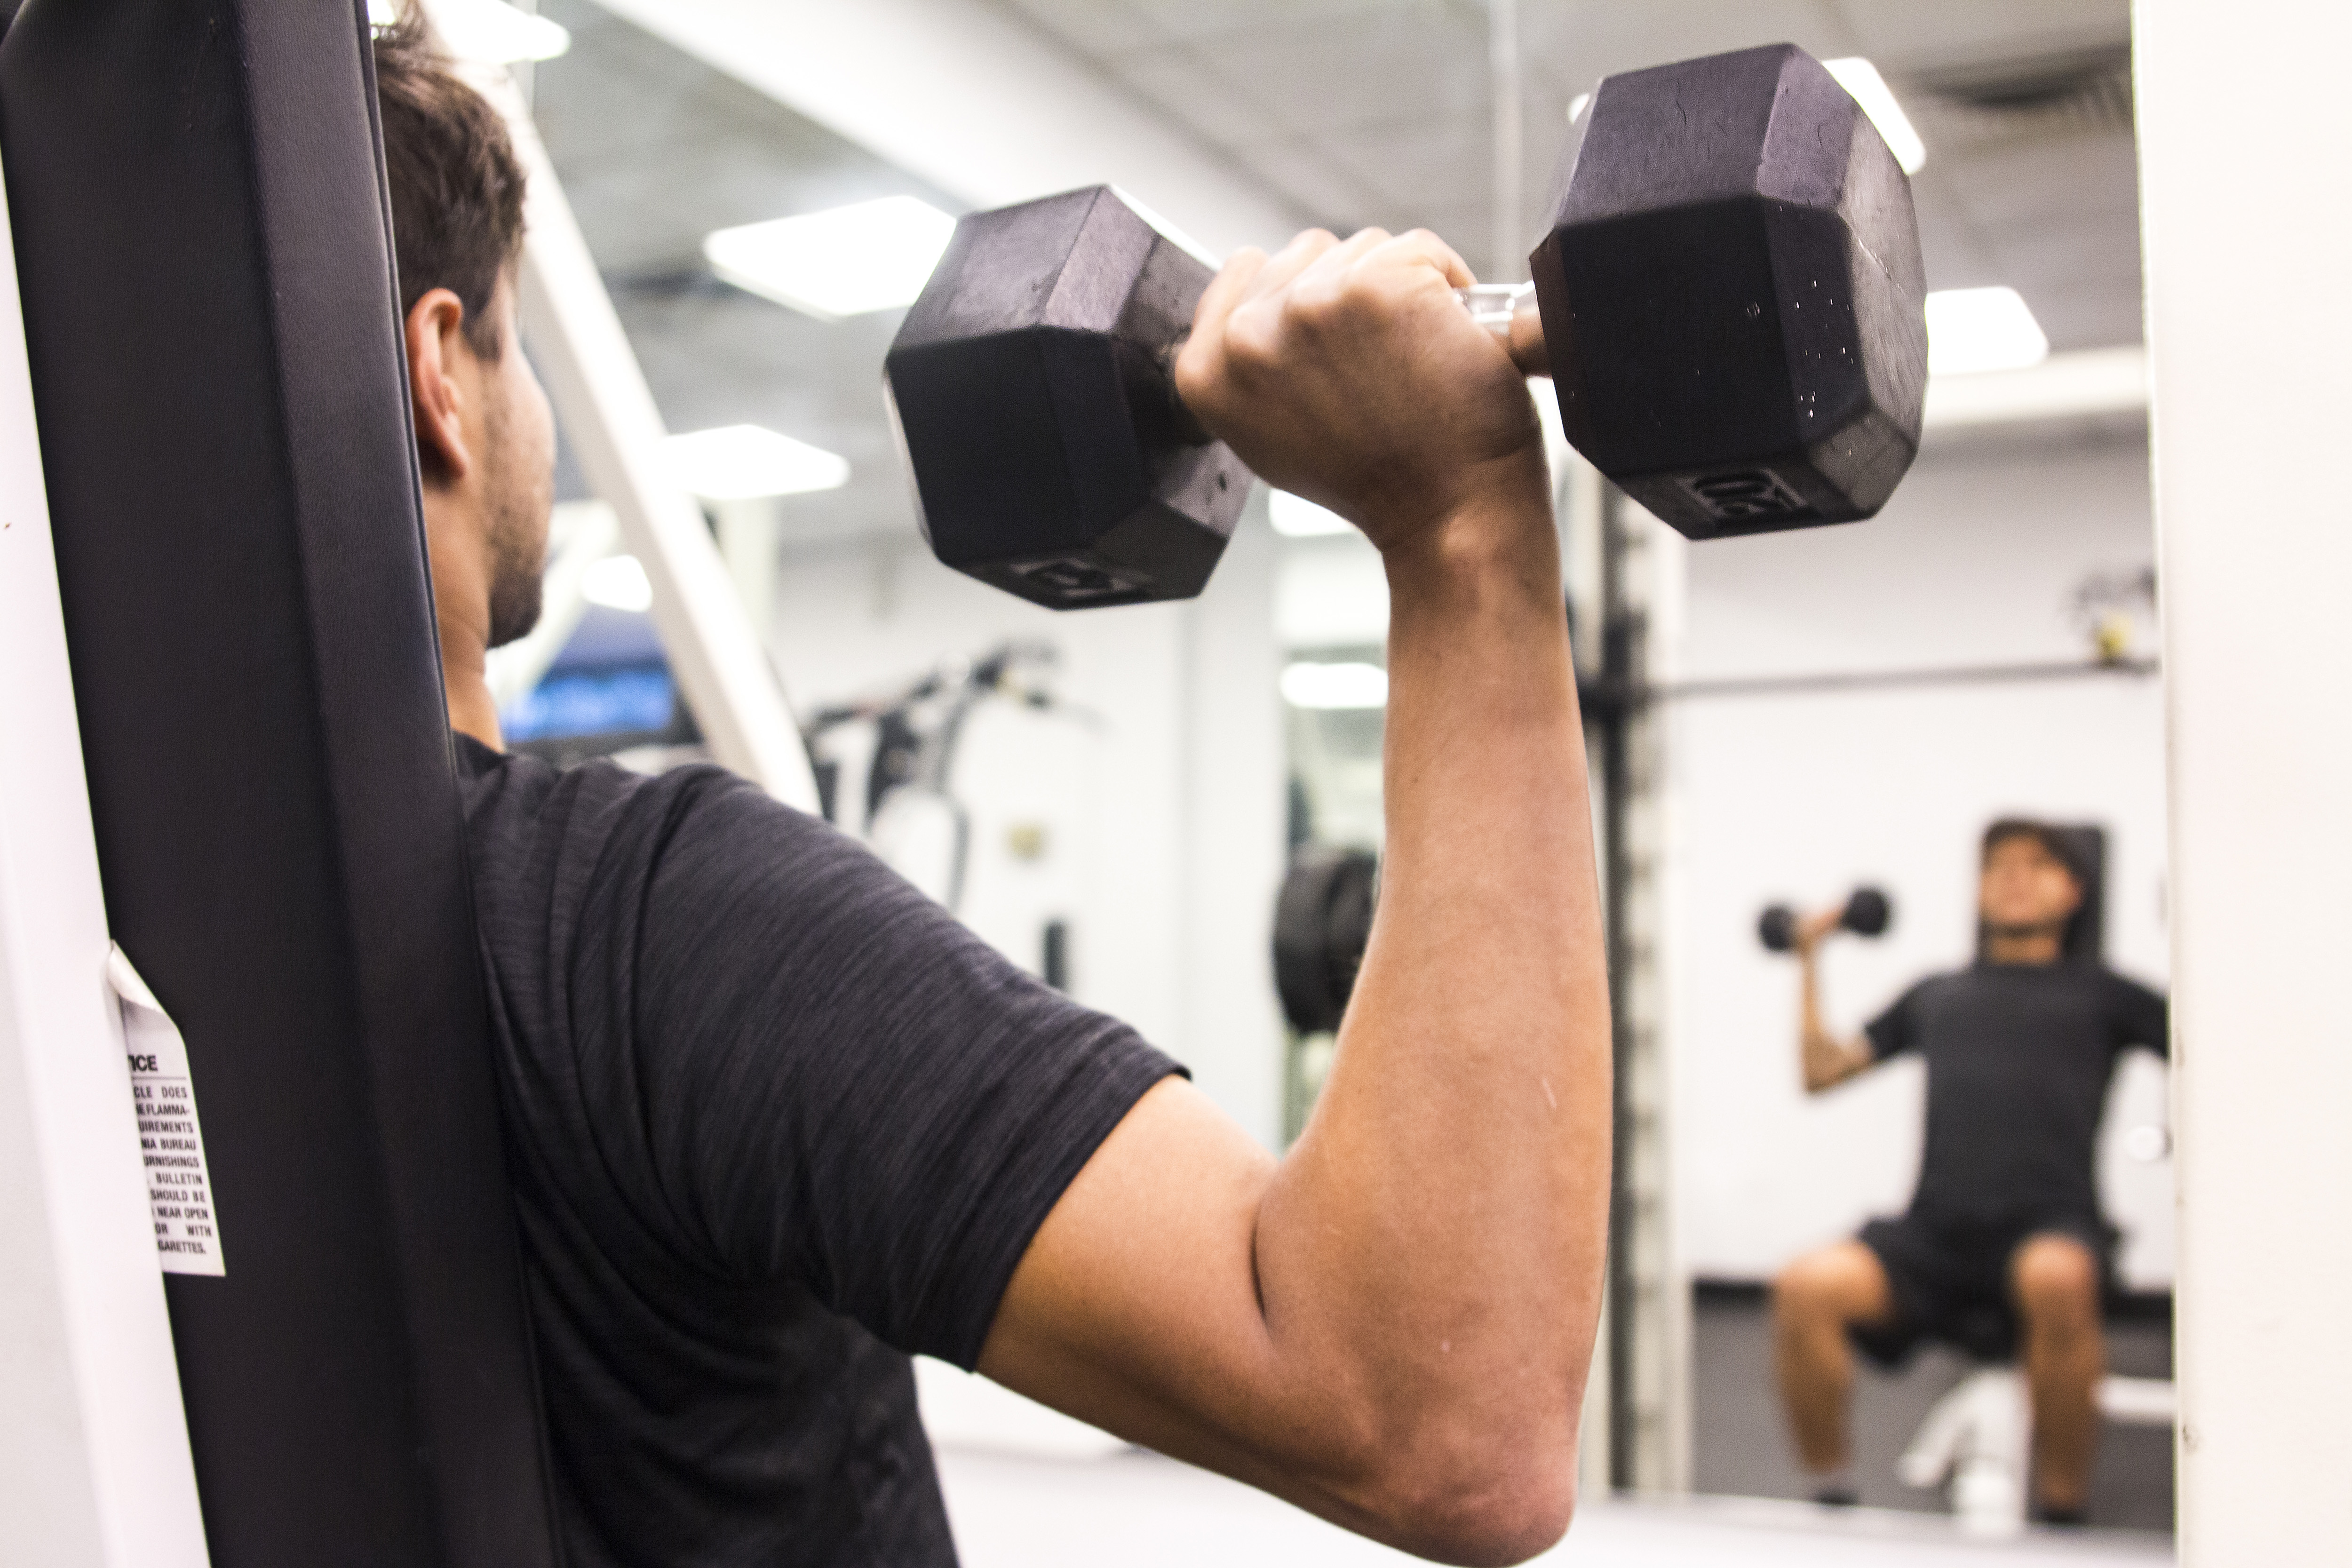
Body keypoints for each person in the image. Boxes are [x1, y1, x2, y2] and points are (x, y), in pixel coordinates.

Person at [376, 13, 1605, 1567]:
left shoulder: (90, 972)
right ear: (441, 371)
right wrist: (1460, 526)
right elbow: (1445, 1420)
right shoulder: (644, 923)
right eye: (516, 346)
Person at [1771, 820, 2169, 1523]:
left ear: (2074, 890)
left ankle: (2062, 1513)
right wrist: (1809, 957)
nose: (2014, 877)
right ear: (1979, 890)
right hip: (1935, 1234)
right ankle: (1830, 1501)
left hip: (2051, 1223)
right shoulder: (1938, 992)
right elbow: (1821, 1071)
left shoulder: (2108, 995)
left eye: (2037, 864)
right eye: (1999, 866)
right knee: (1808, 1285)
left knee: (2056, 1275)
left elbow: (2212, 1052)